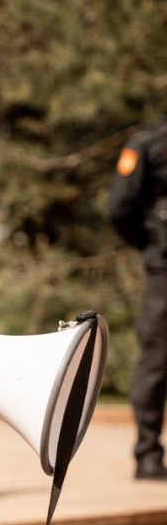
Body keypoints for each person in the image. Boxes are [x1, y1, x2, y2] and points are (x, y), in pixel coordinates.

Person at [109, 123, 167, 480]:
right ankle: (148, 454)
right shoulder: (150, 144)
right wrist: (150, 246)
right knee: (156, 362)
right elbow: (120, 207)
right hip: (164, 269)